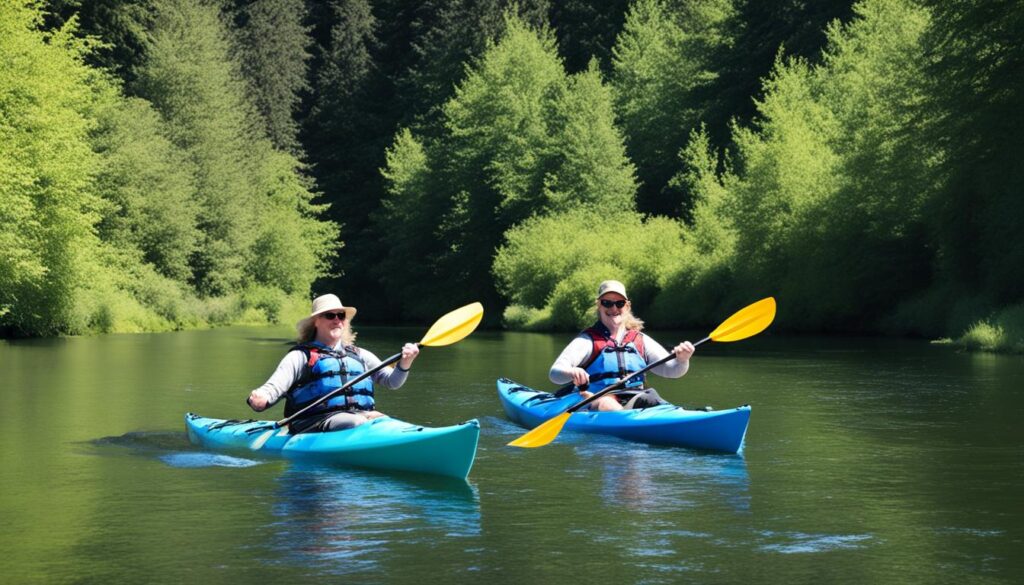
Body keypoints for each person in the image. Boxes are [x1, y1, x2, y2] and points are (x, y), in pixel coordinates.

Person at [246, 294, 420, 432]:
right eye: (330, 315)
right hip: (313, 422)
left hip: (358, 416)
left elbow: (392, 381)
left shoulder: (360, 355)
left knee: (384, 421)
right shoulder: (301, 356)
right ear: (316, 321)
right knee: (357, 421)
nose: (337, 319)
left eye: (340, 315)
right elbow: (273, 387)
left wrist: (406, 362)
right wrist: (261, 398)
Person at [549, 280, 695, 411]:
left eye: (619, 303)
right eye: (607, 303)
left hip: (633, 397)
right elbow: (555, 374)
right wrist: (571, 372)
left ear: (627, 306)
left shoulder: (640, 340)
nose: (614, 308)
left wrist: (683, 360)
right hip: (594, 399)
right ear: (599, 305)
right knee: (608, 404)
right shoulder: (587, 341)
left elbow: (672, 371)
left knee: (653, 398)